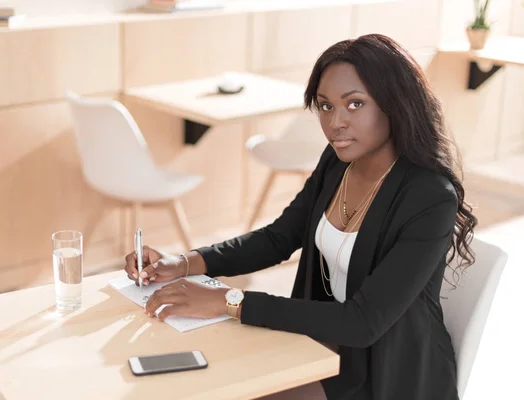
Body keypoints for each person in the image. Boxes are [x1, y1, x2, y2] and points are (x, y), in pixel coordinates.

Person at [123, 33, 478, 400]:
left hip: (388, 374)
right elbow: (279, 237)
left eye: (354, 104)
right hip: (323, 346)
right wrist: (185, 263)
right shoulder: (338, 162)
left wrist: (229, 301)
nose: (335, 122)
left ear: (395, 104)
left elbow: (363, 322)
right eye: (325, 106)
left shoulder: (430, 197)